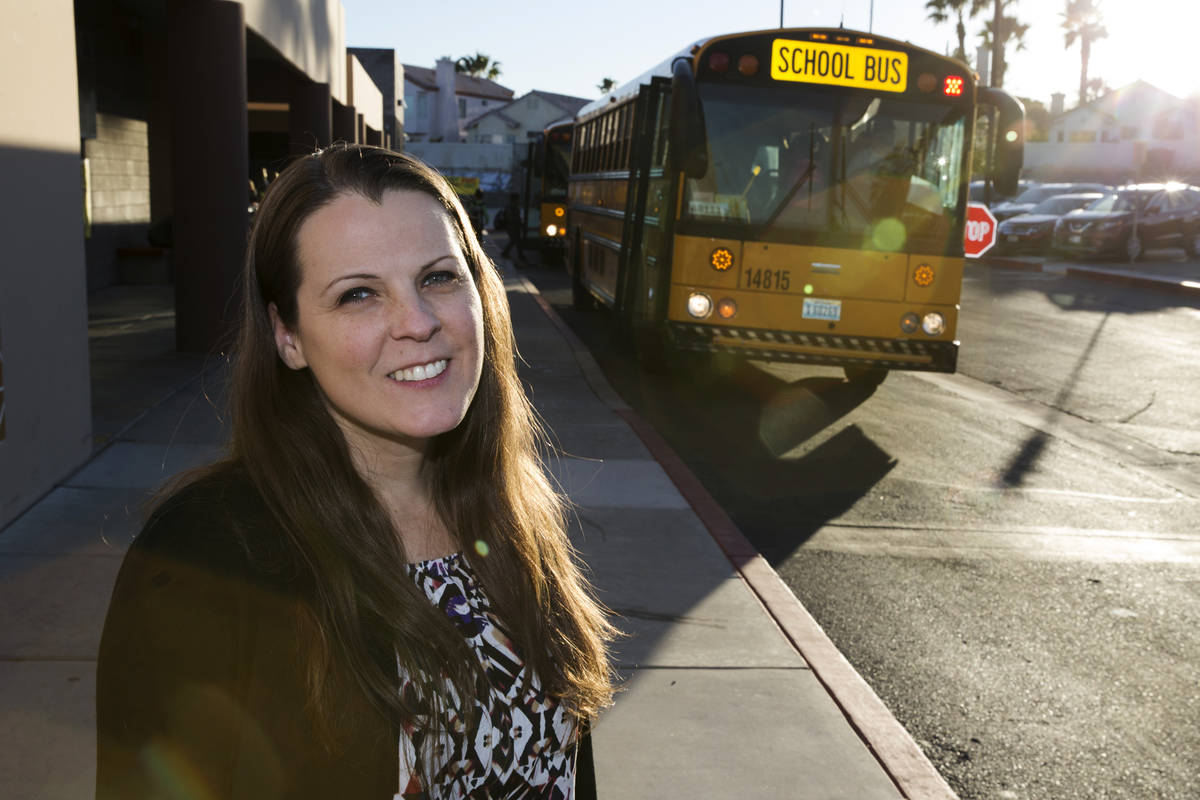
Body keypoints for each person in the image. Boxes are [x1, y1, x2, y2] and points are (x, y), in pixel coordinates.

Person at [96, 144, 615, 799]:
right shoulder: (213, 550)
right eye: (359, 294)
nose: (418, 324)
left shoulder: (512, 508)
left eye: (437, 278)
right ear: (288, 336)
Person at [499, 191, 528, 265]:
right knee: (515, 240)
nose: (519, 201)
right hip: (512, 226)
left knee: (517, 241)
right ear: (514, 199)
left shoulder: (513, 206)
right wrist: (518, 220)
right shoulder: (511, 207)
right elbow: (510, 218)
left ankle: (520, 255)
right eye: (518, 199)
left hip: (515, 226)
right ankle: (506, 253)